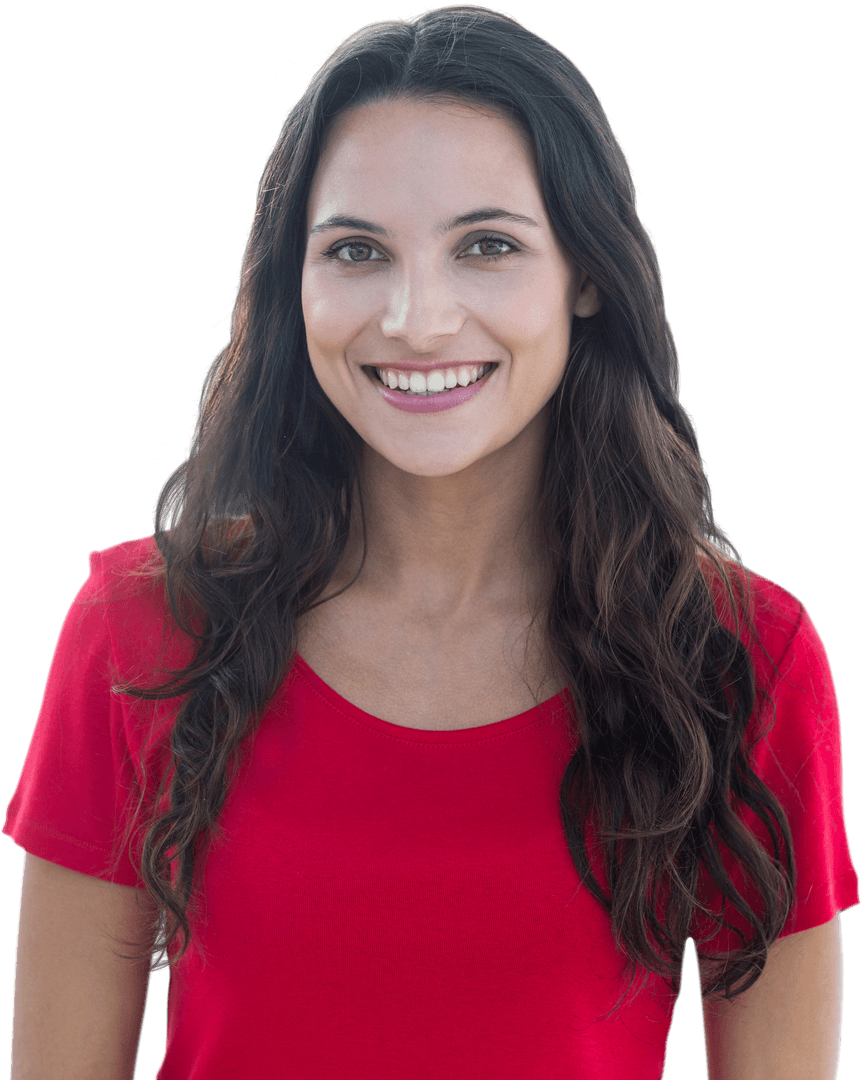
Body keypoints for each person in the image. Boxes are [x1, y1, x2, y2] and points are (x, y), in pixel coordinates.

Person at [6, 5, 857, 1078]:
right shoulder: (138, 635)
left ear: (584, 276)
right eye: (357, 251)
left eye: (487, 246)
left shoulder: (739, 660)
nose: (416, 318)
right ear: (294, 286)